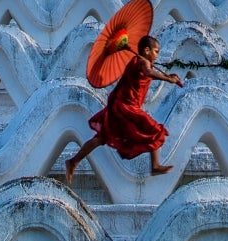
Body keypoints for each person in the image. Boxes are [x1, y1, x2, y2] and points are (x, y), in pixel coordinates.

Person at [64, 34, 183, 181]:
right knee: (155, 129)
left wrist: (168, 76)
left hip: (119, 106)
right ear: (146, 50)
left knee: (101, 138)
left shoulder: (140, 61)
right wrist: (168, 79)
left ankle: (73, 161)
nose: (157, 55)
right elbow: (148, 72)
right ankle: (155, 165)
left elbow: (148, 72)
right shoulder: (142, 62)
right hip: (127, 108)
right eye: (156, 51)